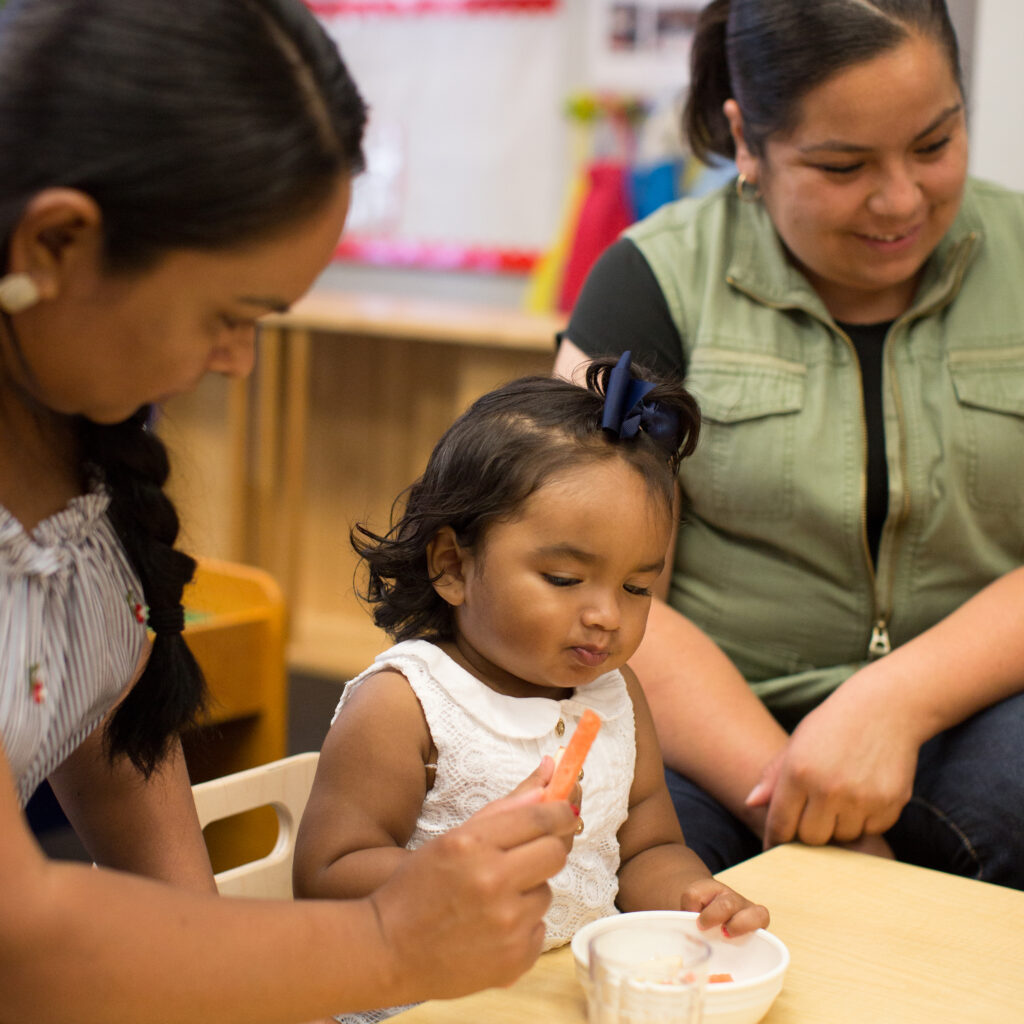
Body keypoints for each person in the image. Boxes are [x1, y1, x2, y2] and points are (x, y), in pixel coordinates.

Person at [0, 2, 577, 1021]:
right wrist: (388, 943)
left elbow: (135, 803)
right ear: (57, 242)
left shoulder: (69, 434)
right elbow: (27, 944)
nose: (238, 362)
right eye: (232, 315)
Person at [554, 0, 1024, 889]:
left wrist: (897, 698)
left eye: (934, 145)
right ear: (748, 142)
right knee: (625, 873)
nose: (900, 199)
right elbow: (583, 574)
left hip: (980, 712)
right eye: (842, 165)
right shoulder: (651, 282)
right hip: (709, 731)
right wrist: (792, 795)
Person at [293, 356, 770, 1021]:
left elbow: (649, 847)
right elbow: (326, 878)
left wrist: (692, 897)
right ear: (453, 566)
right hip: (427, 1004)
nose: (607, 614)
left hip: (562, 1000)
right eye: (566, 579)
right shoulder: (406, 705)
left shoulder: (616, 693)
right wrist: (460, 872)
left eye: (636, 587)